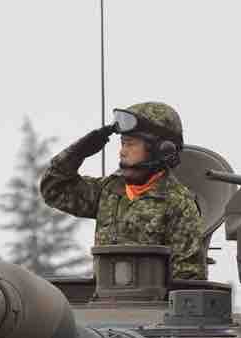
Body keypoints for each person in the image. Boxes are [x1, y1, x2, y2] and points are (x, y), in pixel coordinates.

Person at [39, 103, 208, 280]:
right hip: (103, 303)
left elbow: (189, 280)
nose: (122, 152)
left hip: (151, 305)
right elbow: (54, 189)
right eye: (122, 143)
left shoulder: (178, 204)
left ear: (159, 149)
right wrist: (80, 151)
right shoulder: (109, 191)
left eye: (130, 144)